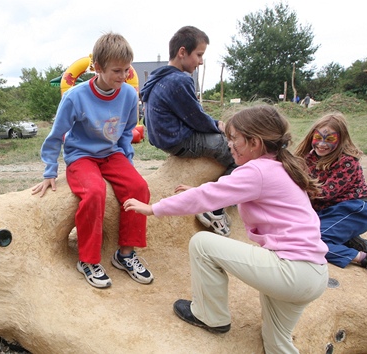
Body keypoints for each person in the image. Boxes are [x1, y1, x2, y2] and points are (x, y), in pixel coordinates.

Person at [123, 105, 329, 354]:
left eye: (234, 139)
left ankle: (210, 315)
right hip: (313, 274)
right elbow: (222, 193)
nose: (229, 145)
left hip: (291, 272)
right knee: (277, 344)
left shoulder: (257, 171)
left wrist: (153, 208)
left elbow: (214, 192)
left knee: (202, 244)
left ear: (254, 142)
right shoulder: (279, 166)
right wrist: (198, 194)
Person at [31, 32, 153, 289]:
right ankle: (87, 259)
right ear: (97, 68)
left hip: (112, 155)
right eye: (116, 71)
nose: (122, 77)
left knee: (138, 187)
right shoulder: (75, 97)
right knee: (95, 191)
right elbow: (56, 135)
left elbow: (126, 133)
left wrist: (126, 165)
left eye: (126, 70)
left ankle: (126, 254)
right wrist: (50, 171)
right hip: (81, 156)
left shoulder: (129, 96)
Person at [140, 26, 237, 237]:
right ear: (182, 52)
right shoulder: (179, 80)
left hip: (164, 140)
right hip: (180, 140)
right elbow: (196, 119)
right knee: (237, 153)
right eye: (199, 55)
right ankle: (215, 208)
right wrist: (219, 126)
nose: (201, 62)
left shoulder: (157, 77)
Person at [294, 113, 367, 273]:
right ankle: (347, 240)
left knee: (312, 241)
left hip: (354, 209)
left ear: (341, 139)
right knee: (299, 235)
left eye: (330, 139)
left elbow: (322, 193)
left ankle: (363, 258)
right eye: (319, 137)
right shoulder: (310, 158)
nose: (322, 144)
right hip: (328, 211)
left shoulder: (347, 162)